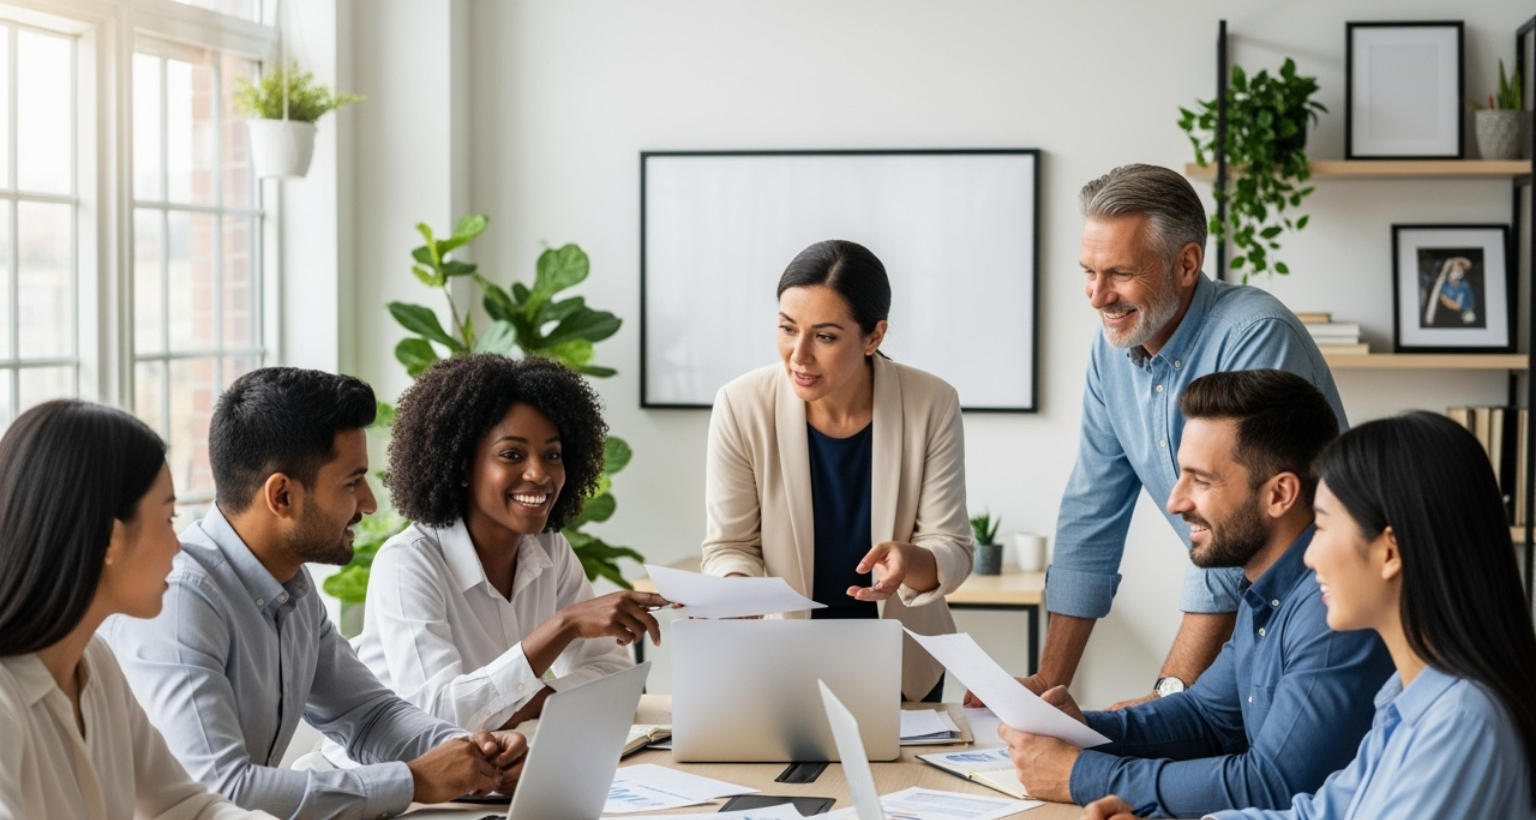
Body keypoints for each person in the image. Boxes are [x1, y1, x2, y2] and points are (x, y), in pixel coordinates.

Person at [1074, 412, 1536, 820]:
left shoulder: (1463, 720)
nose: (1310, 556)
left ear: (1389, 552)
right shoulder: (1413, 699)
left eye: (1322, 527)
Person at [0, 400, 386, 820]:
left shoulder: (95, 666)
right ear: (110, 539)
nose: (178, 546)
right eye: (167, 517)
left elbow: (180, 812)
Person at [104, 368, 526, 820]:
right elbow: (222, 791)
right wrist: (412, 781)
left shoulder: (292, 588)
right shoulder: (182, 601)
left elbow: (368, 715)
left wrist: (472, 753)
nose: (369, 503)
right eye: (352, 482)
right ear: (281, 496)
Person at [1000, 370, 1392, 816]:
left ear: (1279, 493)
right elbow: (1207, 717)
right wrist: (1084, 729)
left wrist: (1079, 775)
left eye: (1200, 481)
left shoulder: (1331, 610)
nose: (1175, 502)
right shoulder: (1266, 590)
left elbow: (1272, 788)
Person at [1028, 163, 1346, 706]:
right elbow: (1091, 516)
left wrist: (1168, 695)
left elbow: (1237, 520)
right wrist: (1045, 685)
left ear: (1187, 264)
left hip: (1316, 614)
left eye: (1120, 273)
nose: (1097, 296)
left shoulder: (1254, 337)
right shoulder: (1111, 355)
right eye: (1088, 271)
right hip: (1250, 624)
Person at [703, 239, 974, 702]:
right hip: (782, 664)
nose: (798, 355)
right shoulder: (740, 404)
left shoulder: (932, 402)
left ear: (874, 336)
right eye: (788, 329)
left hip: (903, 669)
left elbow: (952, 548)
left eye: (825, 337)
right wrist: (736, 590)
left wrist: (912, 562)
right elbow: (730, 545)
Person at [349, 354, 665, 732]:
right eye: (511, 455)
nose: (539, 474)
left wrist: (524, 704)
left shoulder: (550, 549)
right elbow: (435, 718)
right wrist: (563, 626)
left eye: (552, 455)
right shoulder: (408, 563)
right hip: (400, 782)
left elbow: (613, 677)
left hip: (498, 771)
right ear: (462, 466)